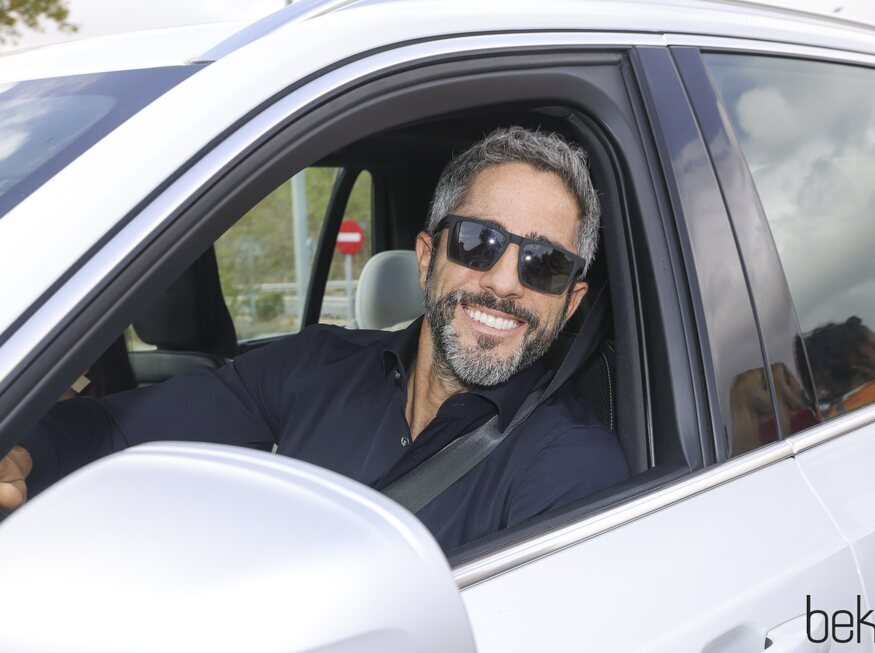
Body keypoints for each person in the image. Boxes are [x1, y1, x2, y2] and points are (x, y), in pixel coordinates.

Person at [0, 126, 628, 550]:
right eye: (477, 242)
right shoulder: (316, 366)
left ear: (570, 303)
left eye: (543, 264)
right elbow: (120, 432)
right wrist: (26, 455)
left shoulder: (569, 471)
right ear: (426, 257)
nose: (502, 282)